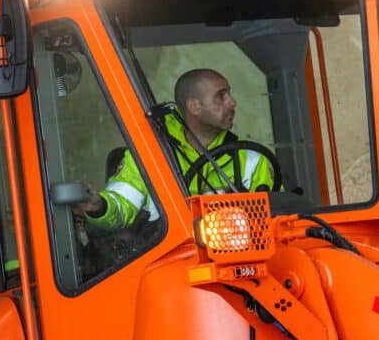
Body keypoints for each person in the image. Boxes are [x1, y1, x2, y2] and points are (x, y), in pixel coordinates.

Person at [76, 68, 274, 230]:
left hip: (236, 265)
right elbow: (121, 207)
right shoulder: (149, 155)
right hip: (167, 268)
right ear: (194, 107)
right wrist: (99, 206)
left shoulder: (252, 159)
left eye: (229, 94)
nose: (232, 102)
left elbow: (275, 219)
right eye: (220, 96)